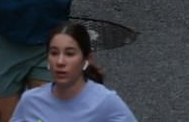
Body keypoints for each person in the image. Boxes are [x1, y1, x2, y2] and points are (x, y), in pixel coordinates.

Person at [8, 22, 136, 122]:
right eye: (54, 53)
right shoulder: (30, 101)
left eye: (69, 54)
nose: (60, 61)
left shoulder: (106, 102)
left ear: (87, 59)